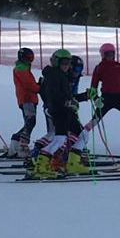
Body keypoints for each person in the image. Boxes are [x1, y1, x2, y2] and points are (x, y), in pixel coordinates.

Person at [30, 49, 92, 179]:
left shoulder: (62, 75)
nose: (67, 66)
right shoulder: (53, 76)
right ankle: (41, 165)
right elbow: (54, 96)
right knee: (60, 139)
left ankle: (72, 163)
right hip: (60, 112)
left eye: (68, 63)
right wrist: (68, 103)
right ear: (57, 62)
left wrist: (81, 98)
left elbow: (67, 95)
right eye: (64, 62)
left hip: (67, 112)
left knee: (83, 135)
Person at [4, 47, 40, 158]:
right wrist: (40, 87)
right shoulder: (21, 69)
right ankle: (21, 147)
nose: (30, 60)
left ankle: (15, 143)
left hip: (28, 99)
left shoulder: (24, 68)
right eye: (28, 58)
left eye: (31, 58)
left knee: (29, 123)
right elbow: (29, 85)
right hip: (27, 99)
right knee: (30, 122)